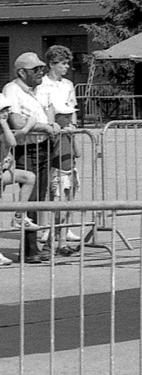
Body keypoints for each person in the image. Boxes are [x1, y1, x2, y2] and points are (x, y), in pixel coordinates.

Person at [2, 53, 70, 258]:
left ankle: (34, 248)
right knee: (29, 198)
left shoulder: (43, 89)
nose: (40, 72)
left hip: (44, 147)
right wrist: (46, 127)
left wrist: (50, 127)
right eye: (35, 70)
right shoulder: (12, 90)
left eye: (41, 68)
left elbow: (49, 111)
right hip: (25, 148)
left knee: (39, 198)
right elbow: (16, 121)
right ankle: (30, 250)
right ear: (22, 72)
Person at [37, 45, 80, 211]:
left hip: (66, 134)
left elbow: (72, 107)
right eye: (63, 63)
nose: (67, 67)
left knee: (68, 180)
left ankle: (63, 225)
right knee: (51, 181)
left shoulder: (68, 84)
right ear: (52, 64)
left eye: (67, 63)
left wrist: (73, 127)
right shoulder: (41, 85)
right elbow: (43, 109)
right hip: (48, 134)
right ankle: (48, 226)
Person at [0, 99, 39, 265]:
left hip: (2, 173)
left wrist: (24, 127)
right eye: (2, 111)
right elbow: (12, 141)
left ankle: (19, 215)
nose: (5, 113)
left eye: (6, 110)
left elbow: (33, 119)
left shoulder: (6, 126)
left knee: (29, 177)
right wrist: (3, 123)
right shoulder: (3, 128)